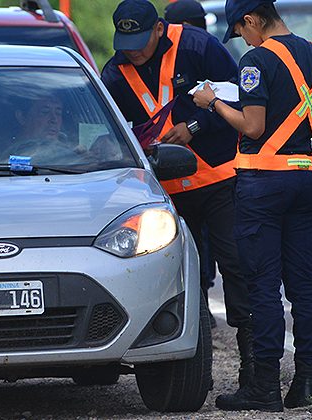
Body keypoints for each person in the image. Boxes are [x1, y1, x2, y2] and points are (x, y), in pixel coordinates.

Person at [192, 0, 312, 411]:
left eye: (240, 31)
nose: (242, 40)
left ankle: (265, 387)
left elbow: (252, 126)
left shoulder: (255, 59)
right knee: (304, 284)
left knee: (262, 287)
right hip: (304, 181)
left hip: (262, 187)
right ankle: (306, 381)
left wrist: (213, 103)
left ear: (251, 20)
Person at [102, 0, 253, 390]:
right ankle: (189, 368)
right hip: (166, 195)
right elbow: (110, 132)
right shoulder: (115, 73)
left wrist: (193, 127)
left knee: (237, 266)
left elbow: (240, 96)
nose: (132, 50)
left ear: (158, 29)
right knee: (181, 279)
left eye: (139, 40)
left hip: (219, 180)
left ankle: (254, 368)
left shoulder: (199, 48)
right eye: (125, 41)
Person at [164, 0, 219, 328]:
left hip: (212, 173)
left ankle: (201, 301)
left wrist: (195, 127)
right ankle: (195, 302)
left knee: (206, 240)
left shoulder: (211, 59)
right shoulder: (160, 64)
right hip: (172, 175)